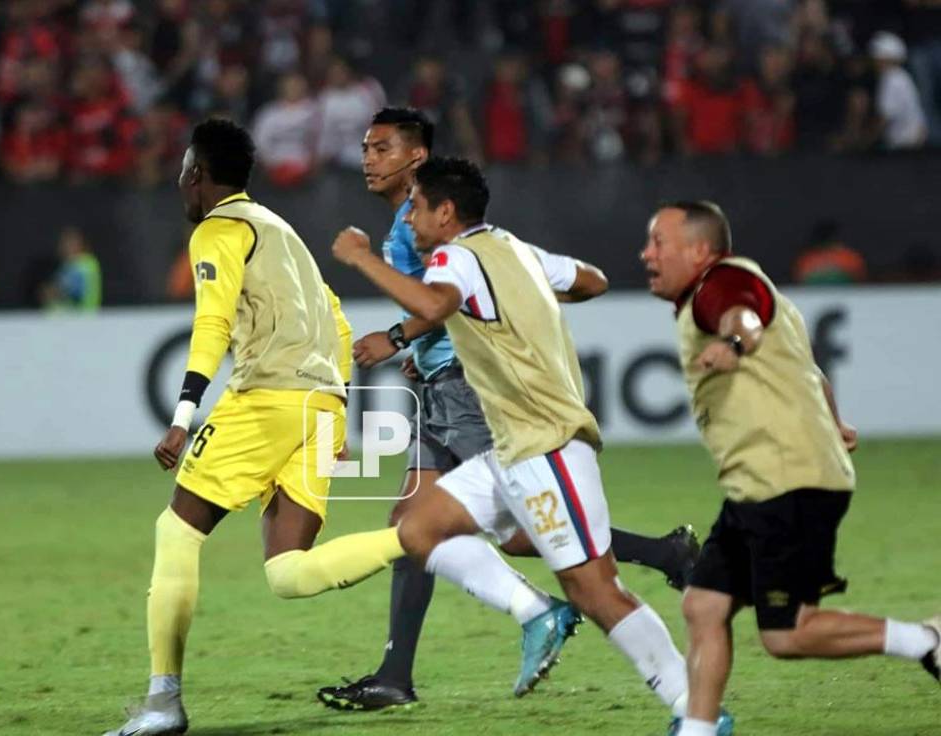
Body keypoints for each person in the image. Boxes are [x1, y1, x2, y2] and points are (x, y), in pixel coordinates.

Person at [317, 108, 700, 712]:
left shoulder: (438, 245)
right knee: (414, 526)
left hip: (490, 401)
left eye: (382, 148)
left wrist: (396, 327)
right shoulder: (500, 244)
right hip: (450, 388)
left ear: (424, 174)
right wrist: (438, 337)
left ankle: (670, 623)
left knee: (549, 555)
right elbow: (586, 281)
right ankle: (399, 672)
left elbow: (440, 299)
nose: (368, 158)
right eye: (365, 147)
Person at [101, 119, 408, 736]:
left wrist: (182, 417)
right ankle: (428, 537)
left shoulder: (218, 229)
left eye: (185, 171)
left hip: (268, 396)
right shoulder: (282, 231)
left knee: (178, 530)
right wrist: (335, 403)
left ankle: (164, 702)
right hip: (320, 405)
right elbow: (338, 320)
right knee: (288, 571)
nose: (181, 183)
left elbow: (212, 325)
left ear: (198, 175)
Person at [639, 201, 941, 736]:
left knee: (787, 635)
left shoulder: (721, 283)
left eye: (659, 243)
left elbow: (743, 320)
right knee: (704, 606)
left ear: (701, 250)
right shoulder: (730, 291)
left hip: (786, 483)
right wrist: (834, 420)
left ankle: (927, 642)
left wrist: (733, 343)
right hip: (760, 484)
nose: (647, 254)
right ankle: (699, 731)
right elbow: (810, 370)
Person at [40, 227, 102, 311]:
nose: (64, 246)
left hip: (77, 319)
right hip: (71, 318)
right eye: (63, 243)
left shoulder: (82, 264)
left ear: (80, 244)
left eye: (69, 243)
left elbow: (65, 290)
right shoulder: (69, 265)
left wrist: (50, 292)